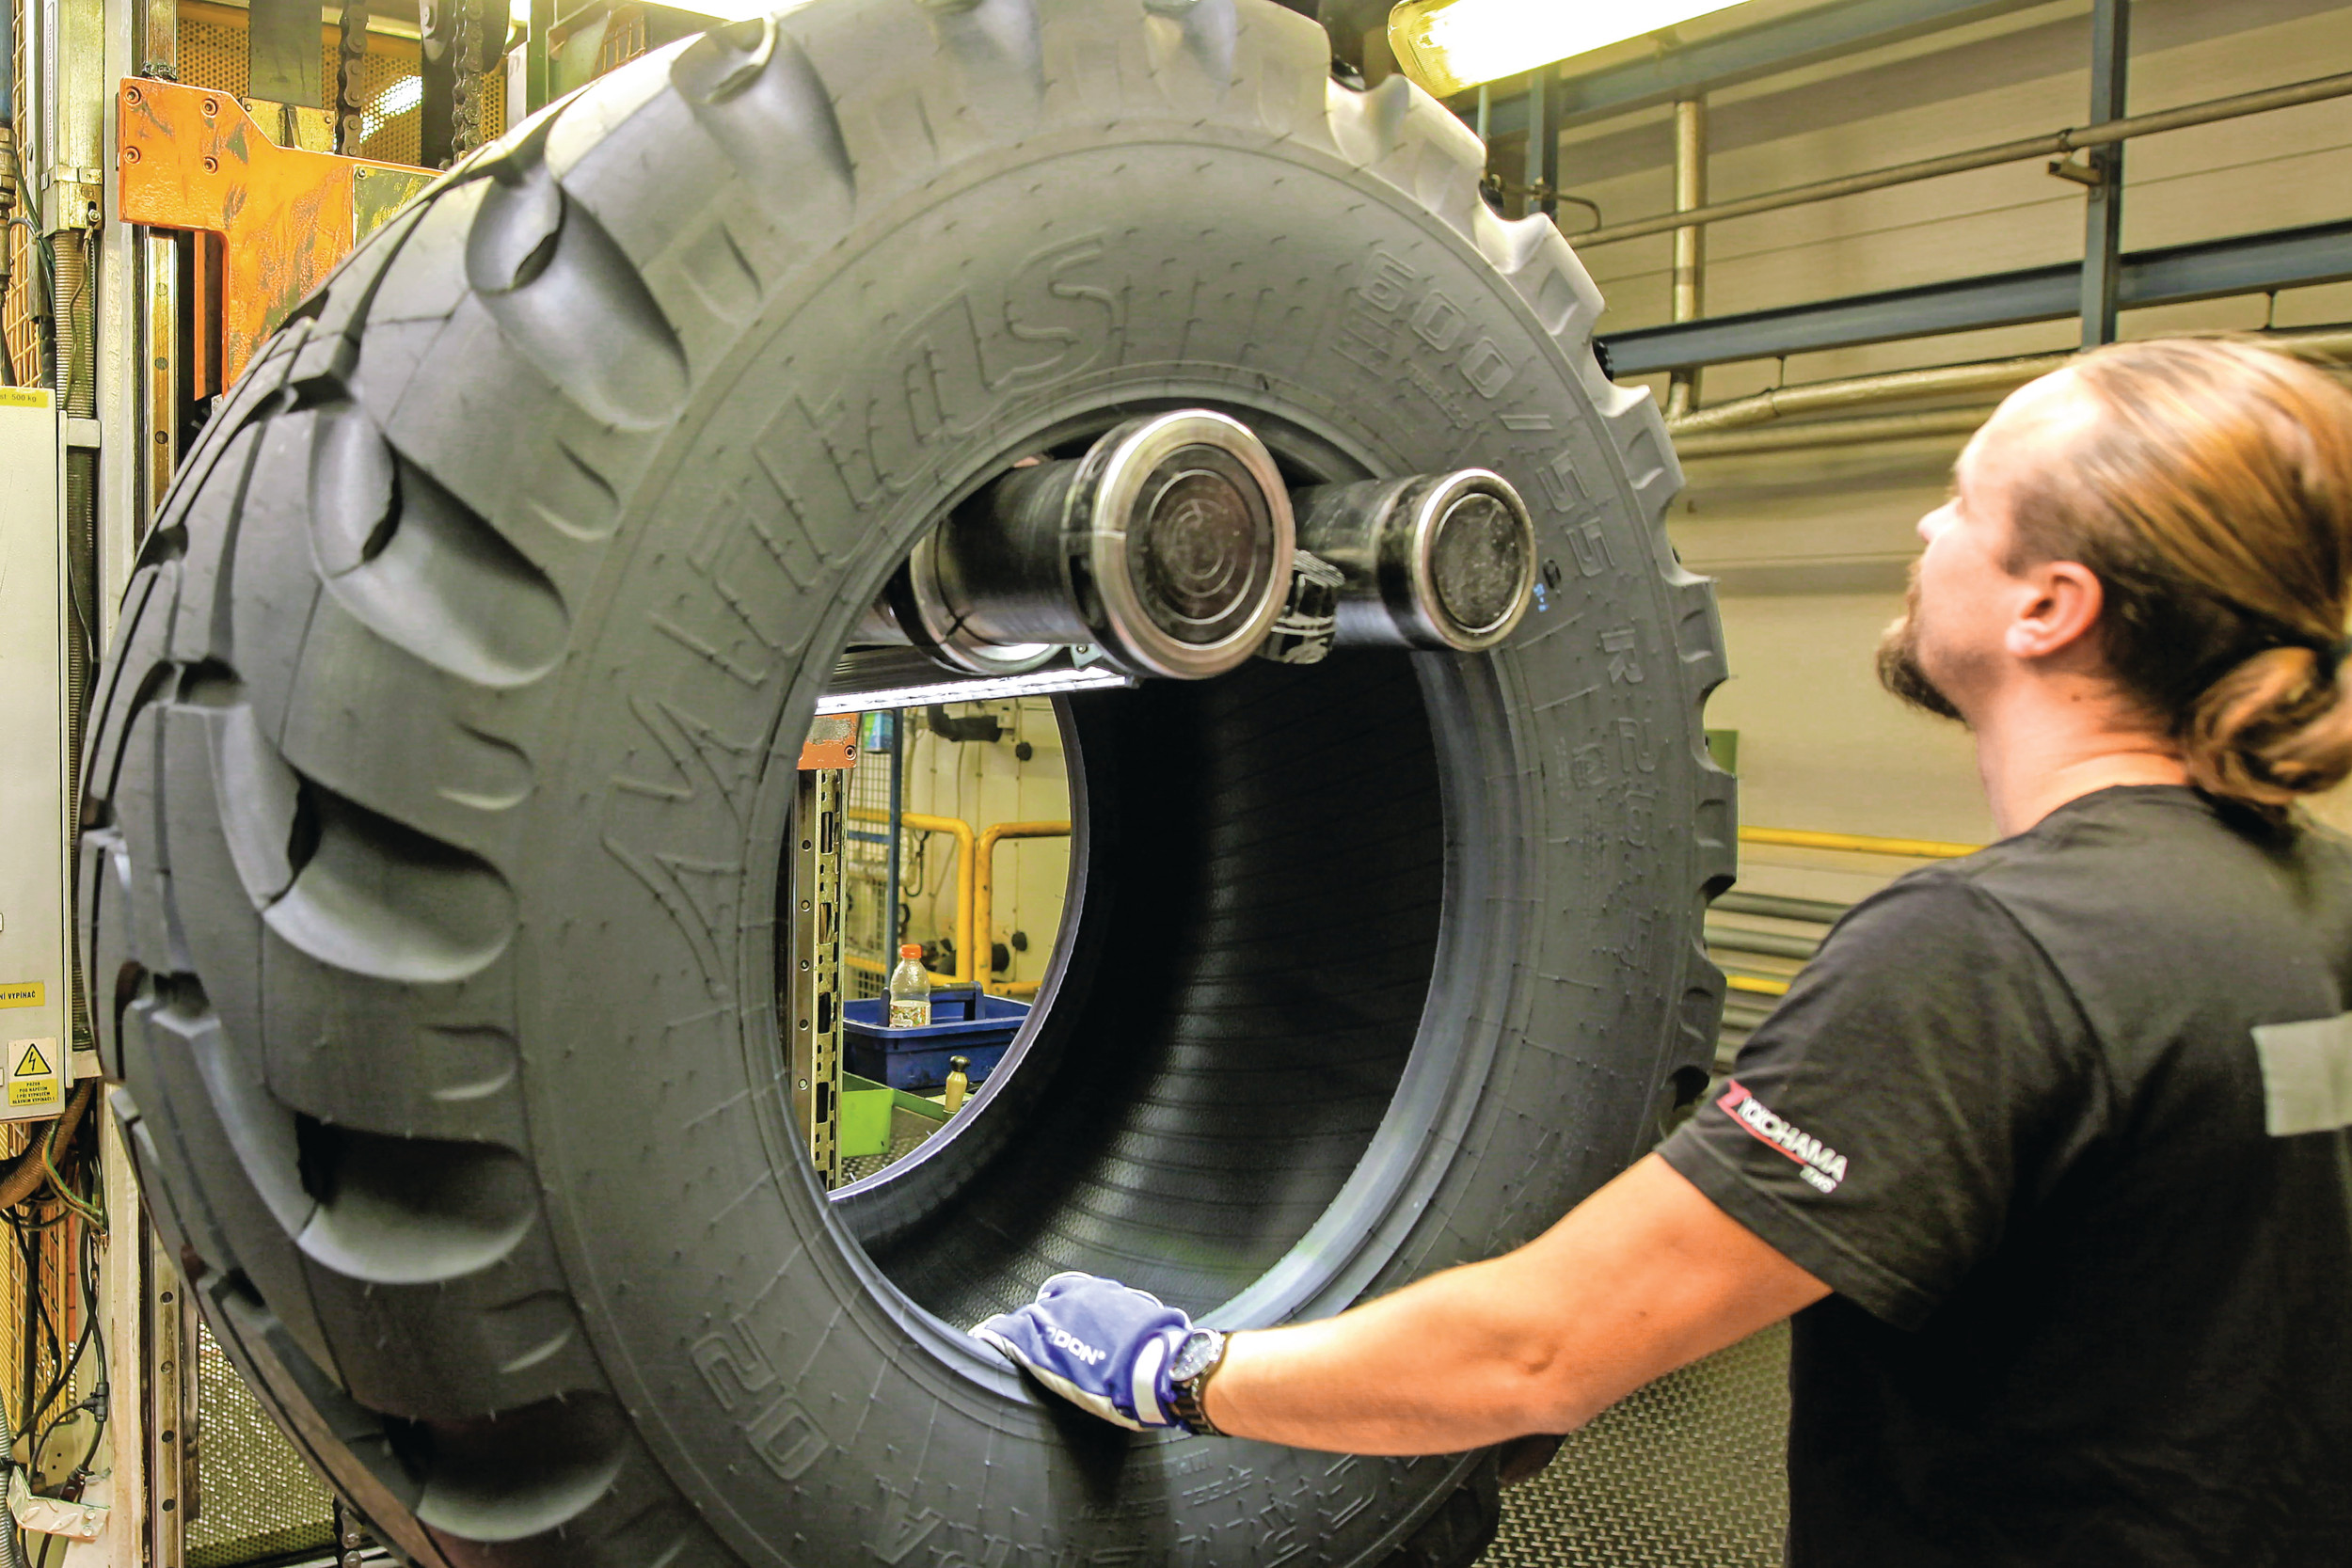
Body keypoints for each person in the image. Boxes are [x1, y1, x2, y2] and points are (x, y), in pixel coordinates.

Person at [973, 337, 2352, 1565]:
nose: (1929, 528)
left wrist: (1180, 1371)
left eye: (1966, 504)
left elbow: (1538, 1351)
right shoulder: (2318, 912)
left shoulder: (1985, 962)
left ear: (2049, 607)